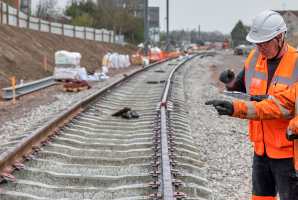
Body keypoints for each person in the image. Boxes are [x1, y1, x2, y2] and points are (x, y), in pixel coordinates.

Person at [216, 10, 298, 200]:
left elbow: (286, 104)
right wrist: (230, 82)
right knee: (260, 197)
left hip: (287, 149)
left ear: (280, 37)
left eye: (265, 43)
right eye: (257, 43)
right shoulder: (254, 58)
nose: (261, 48)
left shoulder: (295, 62)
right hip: (261, 146)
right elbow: (242, 87)